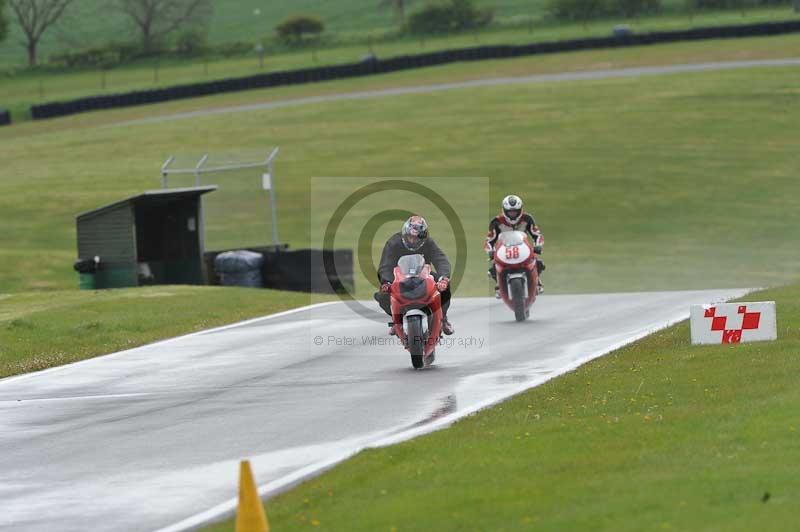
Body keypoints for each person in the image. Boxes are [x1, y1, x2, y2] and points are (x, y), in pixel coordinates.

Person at [374, 215, 455, 335]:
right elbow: (385, 265)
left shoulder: (428, 243)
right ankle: (397, 320)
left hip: (424, 276)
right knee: (382, 296)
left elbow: (440, 259)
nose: (413, 240)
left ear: (423, 237)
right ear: (405, 234)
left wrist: (444, 278)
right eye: (410, 237)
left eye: (417, 238)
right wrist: (386, 281)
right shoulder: (393, 242)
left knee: (445, 287)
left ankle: (443, 319)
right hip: (400, 278)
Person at [484, 194, 546, 297]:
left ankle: (537, 282)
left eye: (515, 211)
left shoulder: (527, 218)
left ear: (520, 210)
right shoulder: (496, 222)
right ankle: (499, 286)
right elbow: (489, 240)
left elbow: (537, 234)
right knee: (493, 268)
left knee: (538, 263)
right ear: (504, 210)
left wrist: (538, 245)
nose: (513, 214)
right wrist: (490, 251)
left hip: (523, 248)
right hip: (505, 250)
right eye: (510, 212)